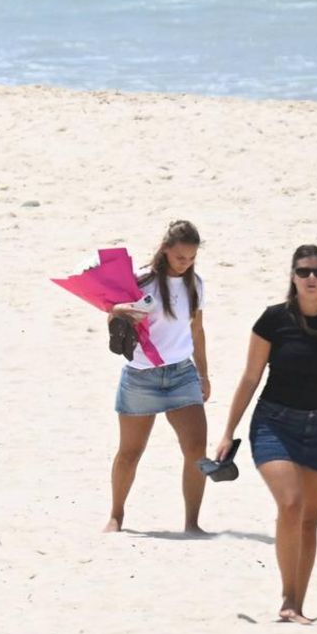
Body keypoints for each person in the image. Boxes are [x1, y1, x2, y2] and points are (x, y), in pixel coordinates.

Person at [213, 245, 317, 623]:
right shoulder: (273, 320)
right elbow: (251, 377)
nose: (311, 278)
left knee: (309, 521)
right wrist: (228, 431)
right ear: (292, 276)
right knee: (291, 504)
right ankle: (287, 601)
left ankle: (296, 604)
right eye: (304, 271)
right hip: (275, 422)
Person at [104, 220, 210, 533]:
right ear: (165, 250)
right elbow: (111, 314)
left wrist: (203, 374)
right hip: (141, 376)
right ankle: (116, 516)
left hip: (181, 374)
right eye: (181, 257)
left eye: (191, 258)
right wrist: (120, 311)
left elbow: (197, 330)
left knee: (196, 449)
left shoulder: (196, 285)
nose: (186, 263)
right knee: (130, 452)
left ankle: (192, 523)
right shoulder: (140, 280)